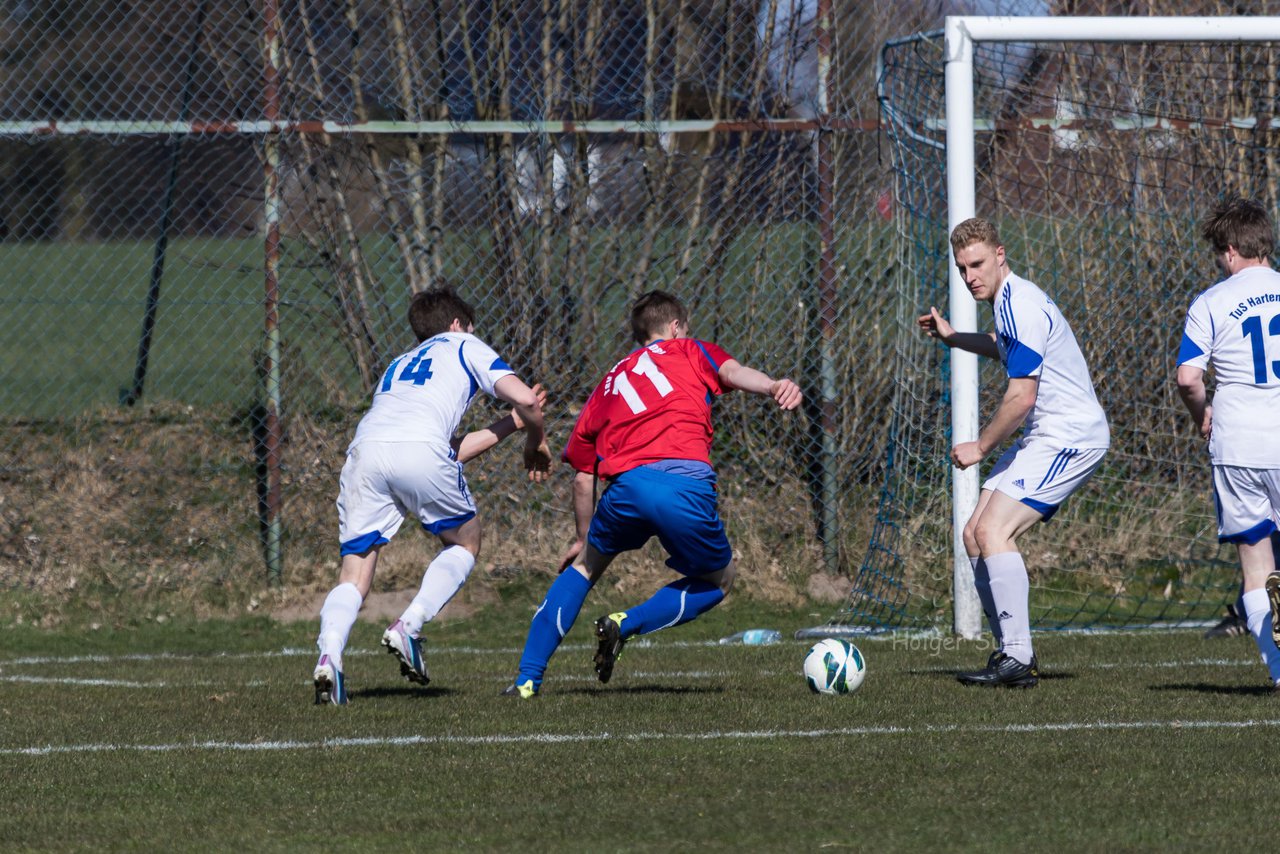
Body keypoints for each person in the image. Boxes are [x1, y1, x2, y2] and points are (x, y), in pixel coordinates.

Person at [502, 290, 802, 698]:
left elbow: (582, 478)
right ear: (676, 327)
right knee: (719, 577)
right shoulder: (691, 349)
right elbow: (733, 372)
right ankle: (627, 623)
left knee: (585, 568)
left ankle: (526, 680)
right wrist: (773, 386)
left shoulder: (609, 382)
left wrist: (582, 537)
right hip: (684, 485)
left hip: (626, 489)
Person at [313, 287, 552, 705]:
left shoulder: (399, 363)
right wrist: (536, 436)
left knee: (354, 574)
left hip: (365, 452)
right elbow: (528, 397)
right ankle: (410, 624)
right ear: (457, 325)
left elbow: (445, 449)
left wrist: (511, 425)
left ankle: (329, 655)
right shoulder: (463, 343)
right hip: (418, 450)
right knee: (467, 542)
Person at [918, 217, 1109, 688]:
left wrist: (980, 446)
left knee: (992, 528)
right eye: (963, 268)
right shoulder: (1006, 301)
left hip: (1071, 436)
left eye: (977, 264)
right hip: (1045, 437)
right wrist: (952, 337)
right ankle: (1013, 653)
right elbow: (1002, 347)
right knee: (972, 534)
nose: (970, 277)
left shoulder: (1020, 304)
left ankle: (1018, 658)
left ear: (1000, 254)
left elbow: (1021, 398)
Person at [1176, 196, 1280, 689]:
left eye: (1220, 254)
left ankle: (1279, 671)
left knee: (1256, 565)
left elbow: (1188, 378)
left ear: (1232, 250)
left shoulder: (1211, 302)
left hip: (1237, 442)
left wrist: (1203, 415)